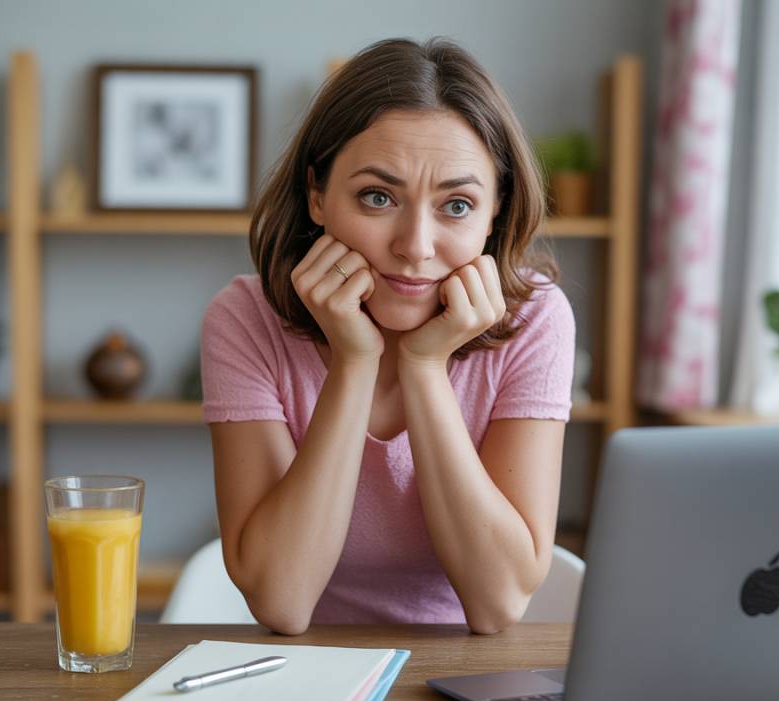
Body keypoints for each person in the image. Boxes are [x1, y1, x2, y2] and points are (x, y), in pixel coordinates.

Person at [201, 37, 575, 635]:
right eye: (378, 197)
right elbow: (281, 600)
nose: (415, 246)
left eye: (456, 205)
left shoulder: (534, 321)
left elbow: (498, 603)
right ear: (317, 195)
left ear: (496, 210)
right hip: (301, 675)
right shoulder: (245, 319)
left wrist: (427, 369)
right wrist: (353, 363)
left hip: (463, 676)